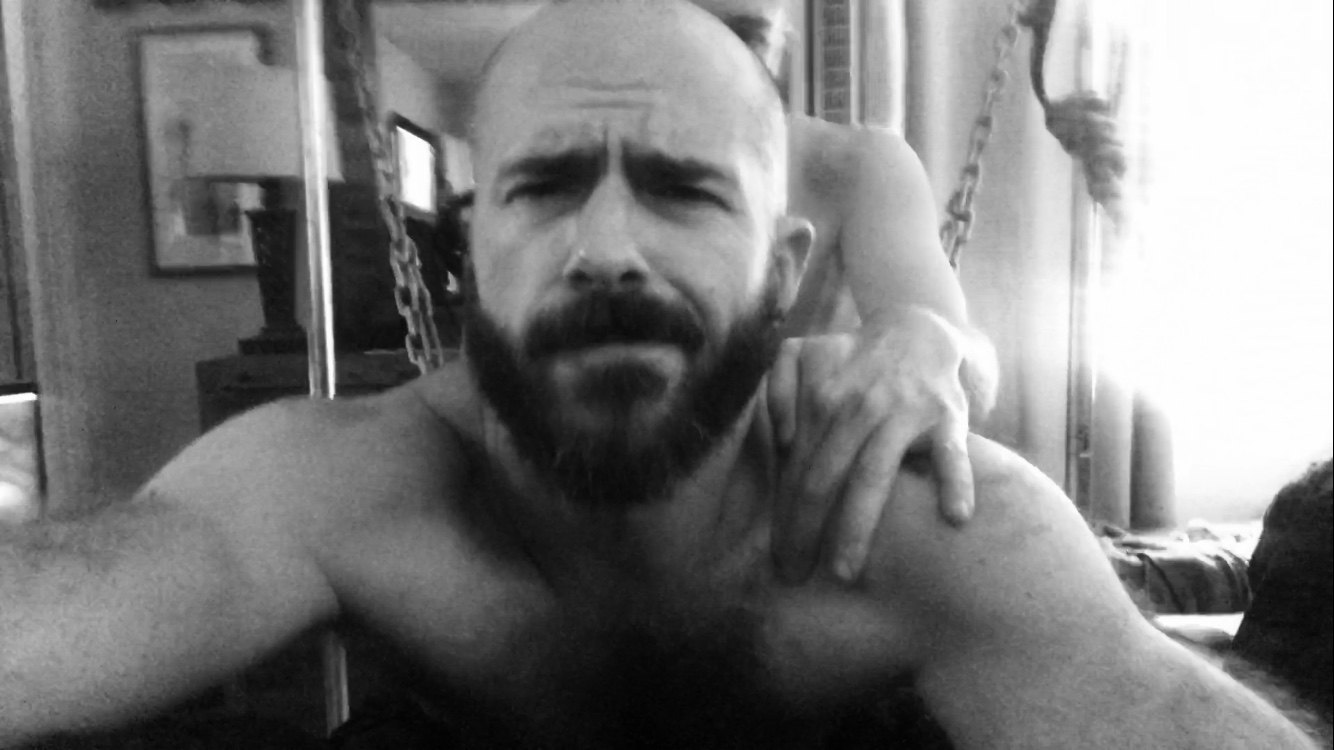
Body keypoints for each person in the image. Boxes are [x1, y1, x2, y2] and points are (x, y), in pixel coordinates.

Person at [0, 2, 1323, 748]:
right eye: (545, 186)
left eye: (684, 191)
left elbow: (938, 328)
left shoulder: (927, 523)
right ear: (469, 241)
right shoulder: (340, 481)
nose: (608, 249)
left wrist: (924, 348)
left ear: (783, 262)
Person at [690, 0, 998, 583]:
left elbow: (969, 364)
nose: (712, 70)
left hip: (781, 539)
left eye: (745, 40)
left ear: (779, 38)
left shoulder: (853, 167)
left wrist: (931, 346)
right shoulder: (555, 164)